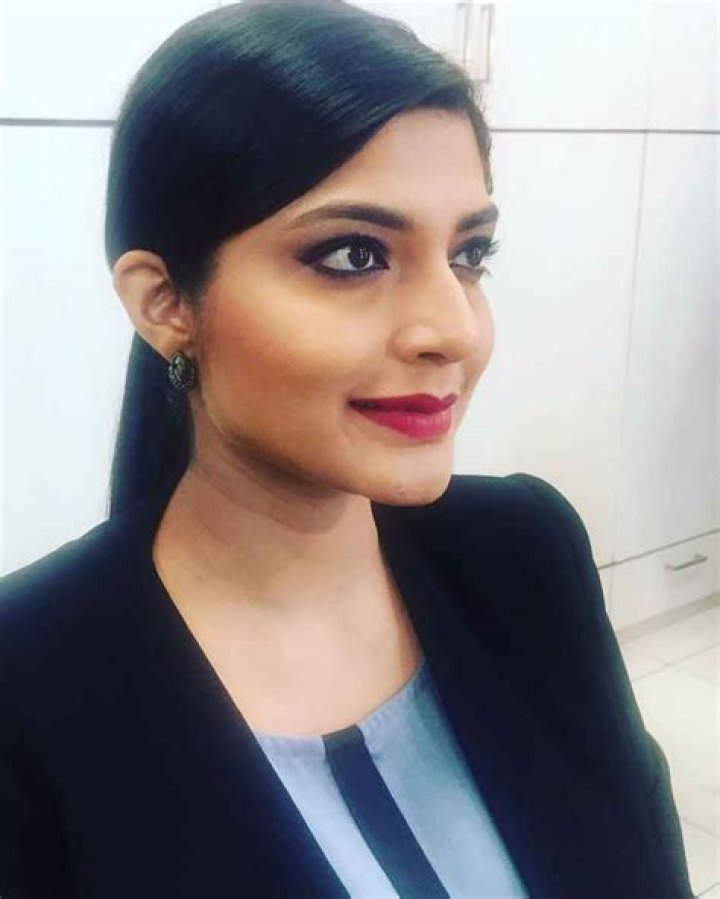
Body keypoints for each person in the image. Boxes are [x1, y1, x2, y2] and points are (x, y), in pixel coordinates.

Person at [0, 2, 693, 896]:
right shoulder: (29, 688)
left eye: (470, 254)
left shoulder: (523, 551)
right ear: (166, 302)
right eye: (353, 255)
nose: (454, 328)